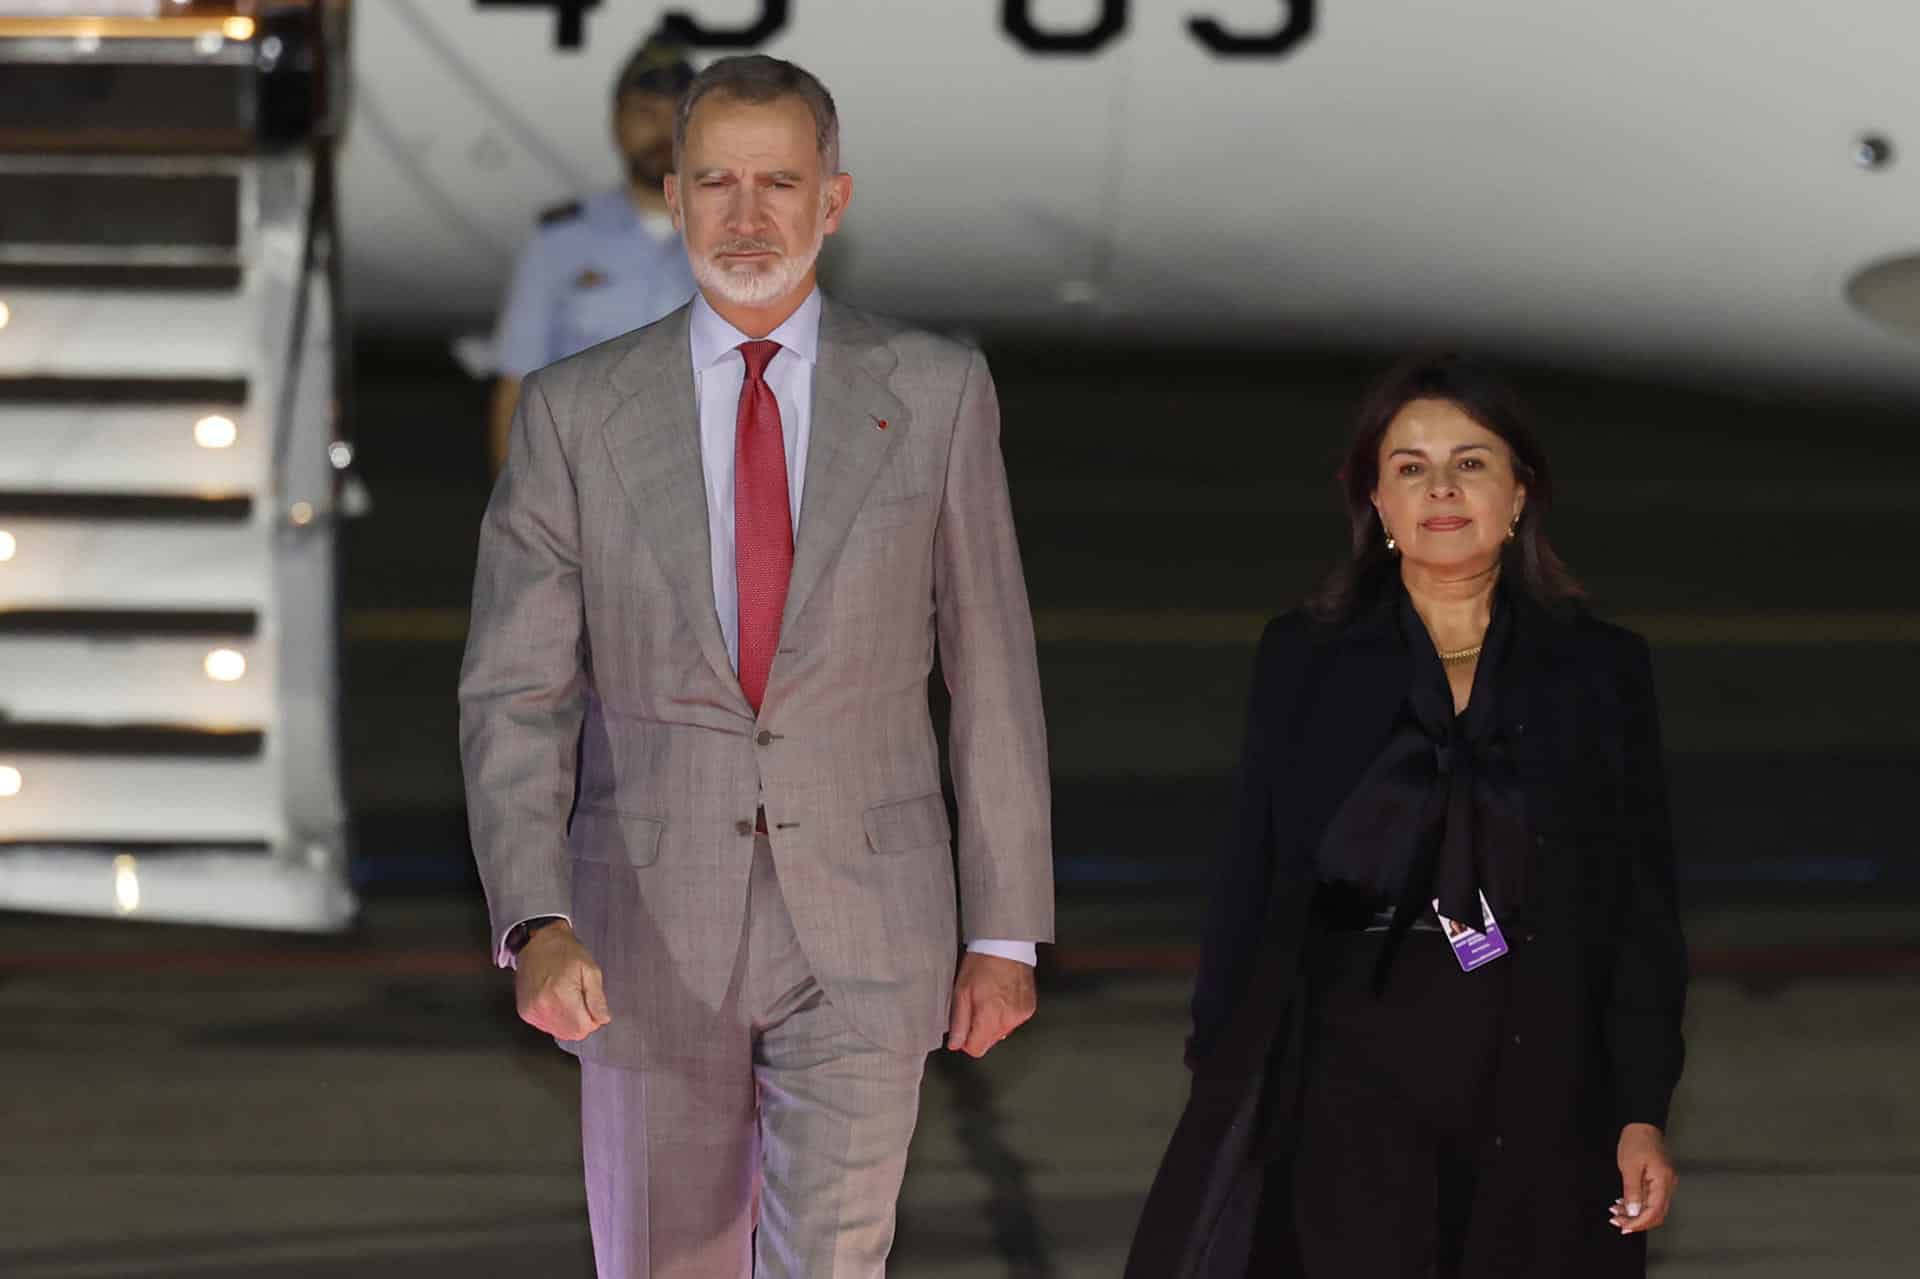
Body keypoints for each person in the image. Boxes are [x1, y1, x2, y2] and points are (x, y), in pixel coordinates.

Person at [459, 54, 1054, 1278]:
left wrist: (1006, 928)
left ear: (832, 200)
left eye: (778, 183)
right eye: (716, 183)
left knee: (832, 1261)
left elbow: (991, 668)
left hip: (871, 918)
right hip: (639, 924)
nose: (746, 216)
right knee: (663, 1260)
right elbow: (516, 695)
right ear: (672, 198)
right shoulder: (576, 413)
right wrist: (534, 916)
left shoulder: (937, 395)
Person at [1126, 354, 1688, 1278]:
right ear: (1377, 503)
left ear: (1520, 495)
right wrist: (1224, 1075)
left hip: (1543, 1057)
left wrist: (1640, 1104)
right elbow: (1253, 873)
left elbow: (1640, 904)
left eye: (1471, 462)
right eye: (1410, 466)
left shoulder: (1601, 668)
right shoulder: (1306, 655)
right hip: (1350, 1057)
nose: (1442, 488)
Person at [486, 34, 700, 473]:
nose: (661, 131)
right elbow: (516, 388)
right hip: (582, 500)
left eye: (677, 116)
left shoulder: (740, 240)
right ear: (616, 125)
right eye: (644, 113)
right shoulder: (560, 241)